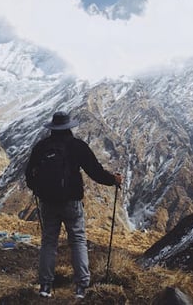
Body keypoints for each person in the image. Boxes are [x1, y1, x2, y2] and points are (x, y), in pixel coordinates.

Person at [25, 111, 122, 299]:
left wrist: (38, 190)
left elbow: (29, 174)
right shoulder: (77, 146)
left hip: (48, 203)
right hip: (72, 202)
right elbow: (95, 172)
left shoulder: (42, 147)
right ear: (69, 127)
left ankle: (45, 286)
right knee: (77, 240)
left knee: (49, 242)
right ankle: (81, 287)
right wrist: (114, 180)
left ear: (52, 128)